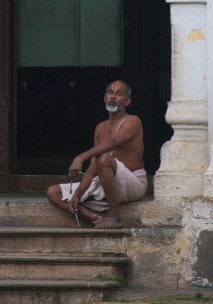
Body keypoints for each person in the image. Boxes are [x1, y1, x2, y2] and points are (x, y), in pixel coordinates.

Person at [47, 80, 147, 229]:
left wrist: (80, 157)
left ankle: (114, 218)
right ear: (105, 97)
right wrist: (77, 195)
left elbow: (113, 143)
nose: (113, 97)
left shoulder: (133, 121)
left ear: (127, 101)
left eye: (119, 94)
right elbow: (94, 165)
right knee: (52, 192)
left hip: (132, 183)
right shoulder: (100, 127)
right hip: (105, 183)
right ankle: (93, 218)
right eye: (110, 93)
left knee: (105, 158)